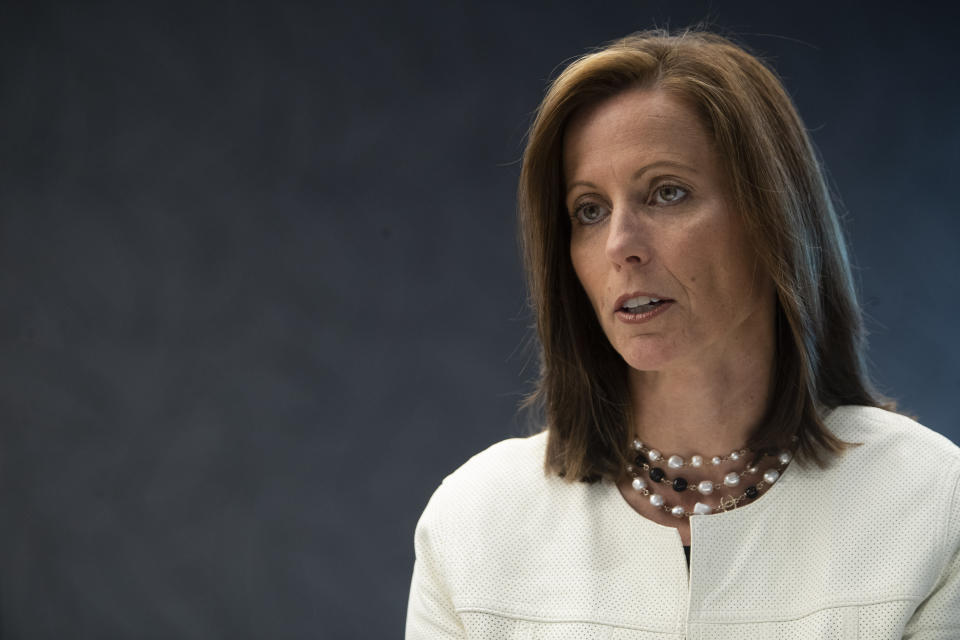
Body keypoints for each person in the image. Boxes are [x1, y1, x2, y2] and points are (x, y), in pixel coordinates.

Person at [405, 28, 960, 639]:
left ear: (770, 216)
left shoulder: (930, 502)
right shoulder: (475, 524)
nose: (620, 246)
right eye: (589, 210)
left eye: (667, 193)